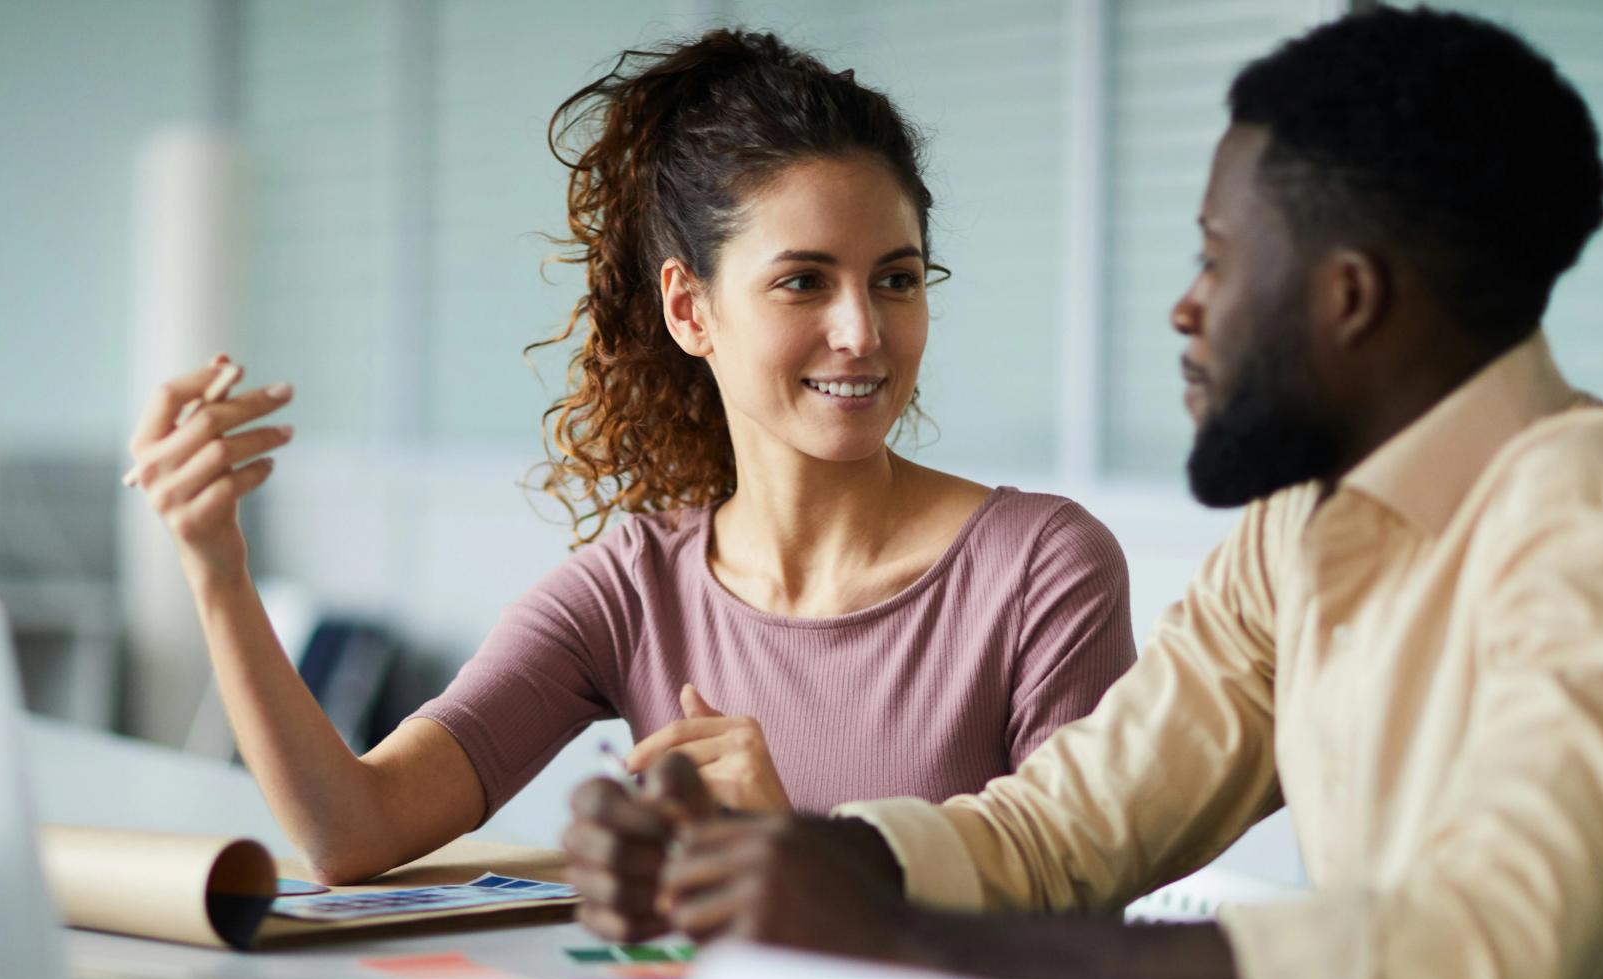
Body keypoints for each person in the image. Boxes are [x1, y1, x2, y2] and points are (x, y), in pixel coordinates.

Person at [565, 8, 1603, 979]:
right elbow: (1068, 828)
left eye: (1218, 260)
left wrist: (903, 937)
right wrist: (802, 862)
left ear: (1347, 297)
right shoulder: (1297, 532)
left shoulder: (1601, 510)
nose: (1185, 308)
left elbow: (1481, 965)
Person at [122, 29, 1134, 886]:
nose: (861, 330)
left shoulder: (1042, 568)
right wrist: (216, 569)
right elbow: (355, 827)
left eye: (896, 280)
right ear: (690, 309)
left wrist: (792, 853)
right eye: (803, 282)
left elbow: (1076, 919)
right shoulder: (632, 590)